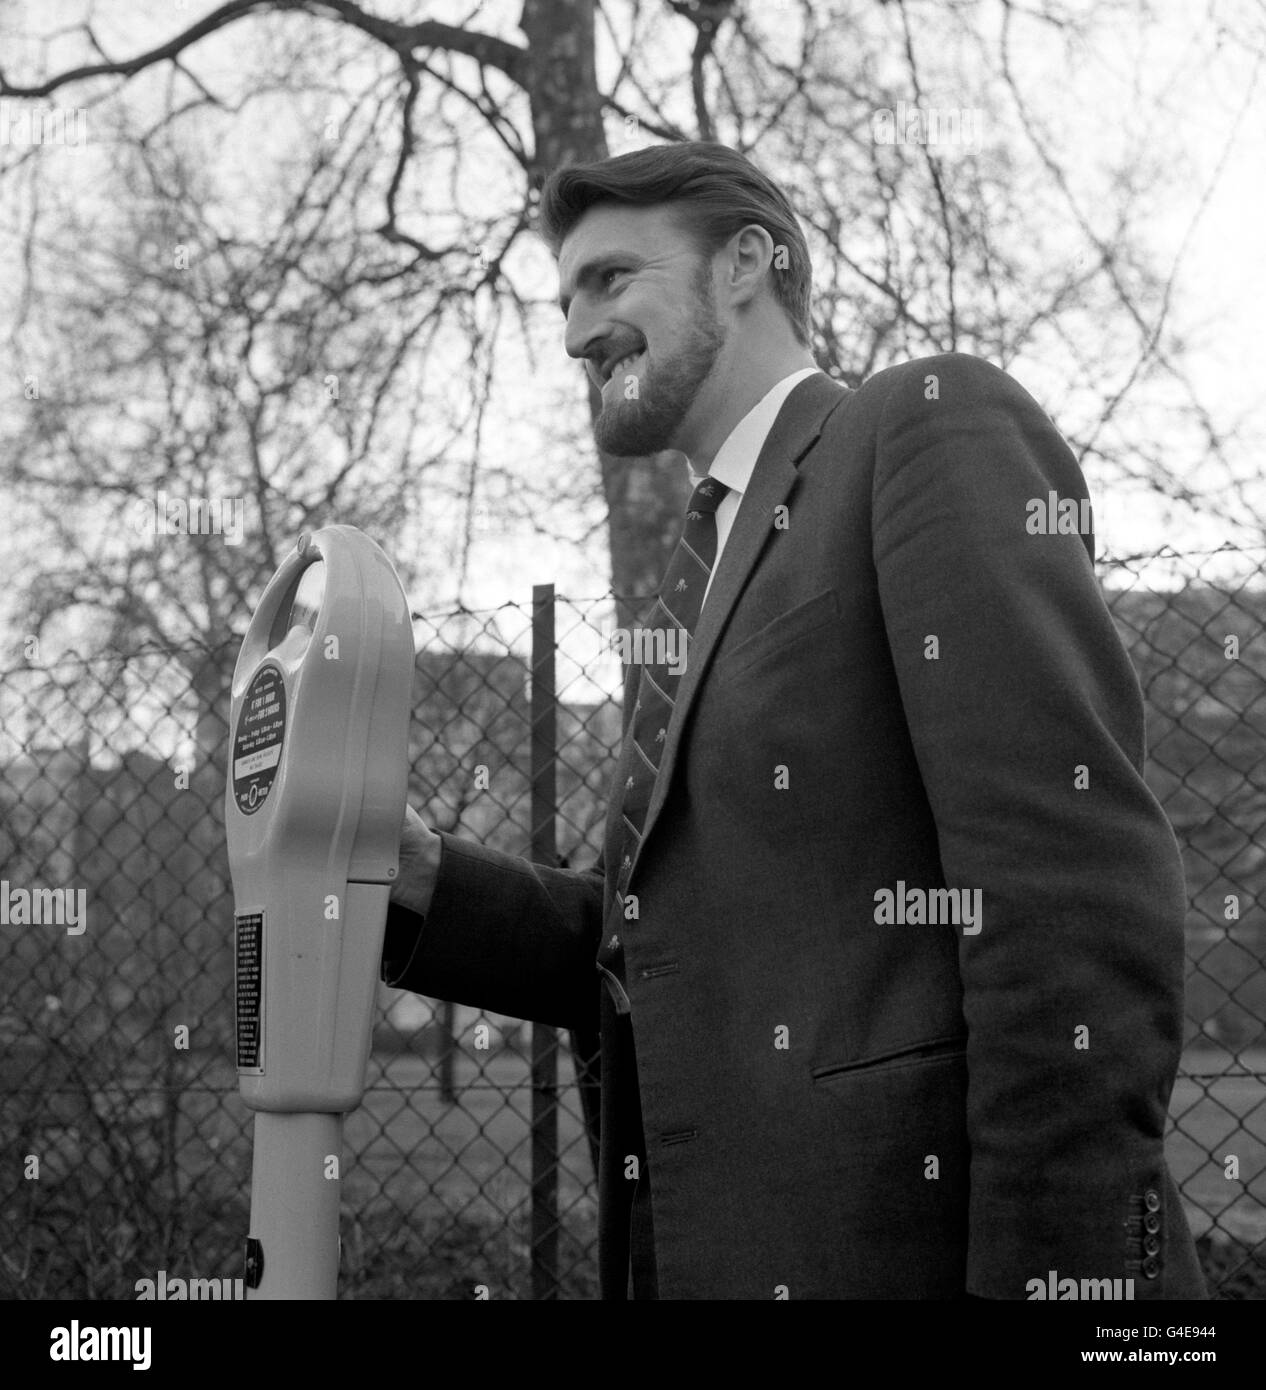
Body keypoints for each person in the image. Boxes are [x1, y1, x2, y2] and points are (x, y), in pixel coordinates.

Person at [380, 141, 1206, 1301]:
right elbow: (659, 949)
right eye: (563, 296)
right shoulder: (700, 568)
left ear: (745, 265)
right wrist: (428, 881)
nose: (574, 330)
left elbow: (1068, 885)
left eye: (611, 278)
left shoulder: (920, 426)